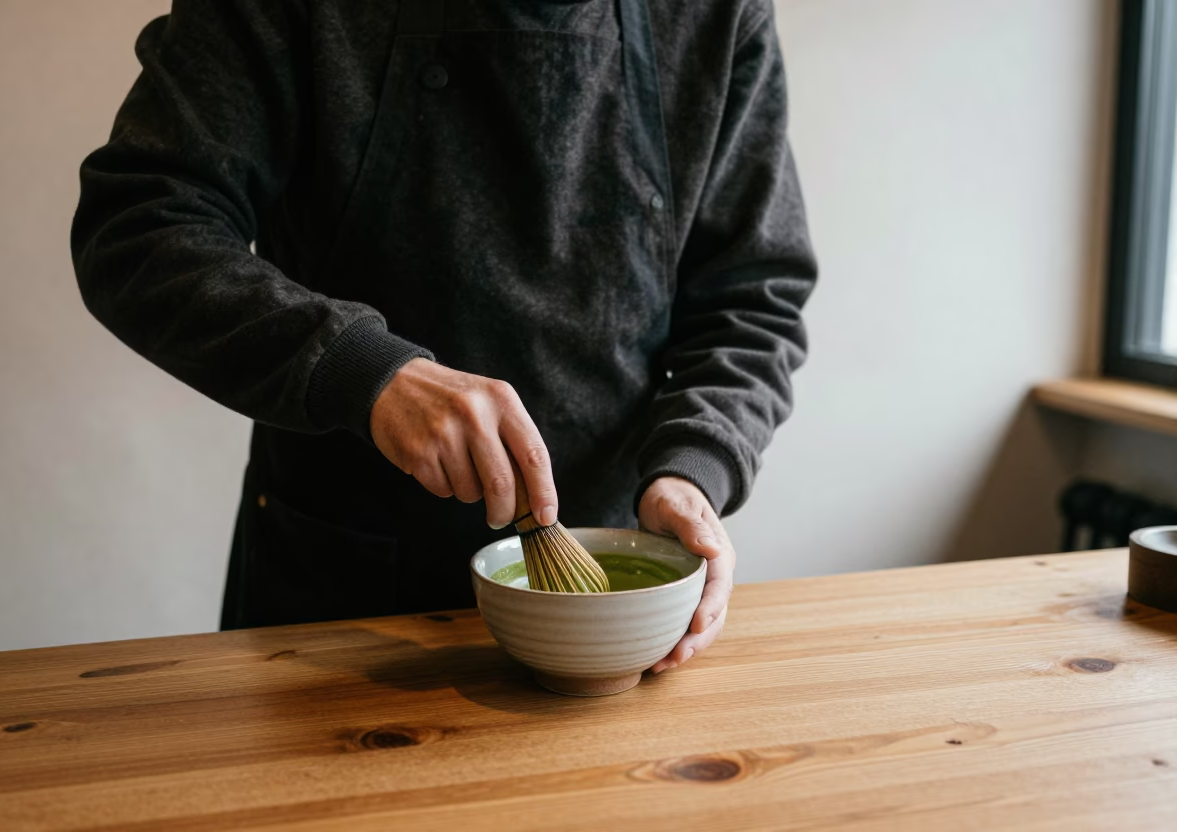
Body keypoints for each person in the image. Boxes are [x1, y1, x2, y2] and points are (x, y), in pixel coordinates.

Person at [71, 0, 816, 674]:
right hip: (340, 595)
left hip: (604, 590)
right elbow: (137, 224)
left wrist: (695, 469)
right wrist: (363, 370)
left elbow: (754, 299)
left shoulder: (717, 16)